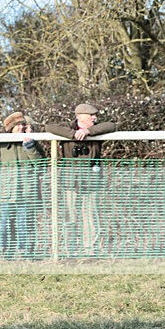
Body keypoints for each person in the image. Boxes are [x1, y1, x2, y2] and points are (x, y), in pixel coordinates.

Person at [45, 103, 116, 256]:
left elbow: (111, 126)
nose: (95, 117)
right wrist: (72, 134)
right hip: (70, 182)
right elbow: (49, 127)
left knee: (90, 215)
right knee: (70, 215)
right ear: (80, 117)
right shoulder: (67, 127)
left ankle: (90, 250)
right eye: (91, 115)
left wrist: (88, 131)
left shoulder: (96, 129)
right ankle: (69, 249)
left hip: (91, 180)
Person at [0, 111, 46, 259]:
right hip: (7, 193)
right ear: (10, 128)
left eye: (22, 124)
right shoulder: (2, 144)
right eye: (17, 125)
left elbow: (40, 165)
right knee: (6, 224)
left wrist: (29, 147)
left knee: (26, 225)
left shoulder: (32, 142)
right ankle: (7, 253)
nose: (20, 128)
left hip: (26, 193)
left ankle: (27, 253)